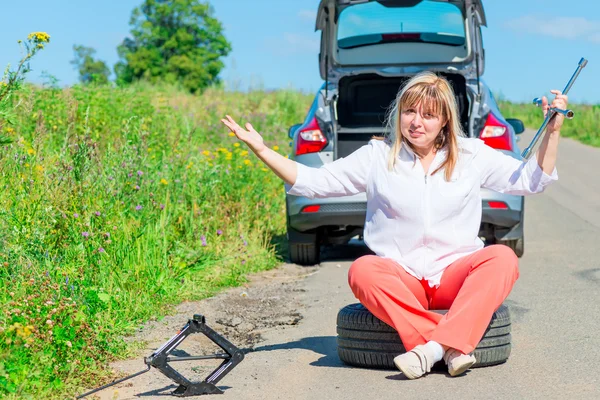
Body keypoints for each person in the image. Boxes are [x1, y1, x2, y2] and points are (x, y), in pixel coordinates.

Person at [220, 72, 568, 379]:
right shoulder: (377, 156)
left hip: (454, 276)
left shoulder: (471, 153)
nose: (416, 121)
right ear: (398, 113)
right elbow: (313, 183)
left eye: (428, 115)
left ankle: (429, 350)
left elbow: (531, 180)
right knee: (363, 270)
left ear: (445, 120)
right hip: (403, 277)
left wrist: (552, 131)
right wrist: (262, 150)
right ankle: (451, 345)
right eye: (409, 111)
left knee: (502, 259)